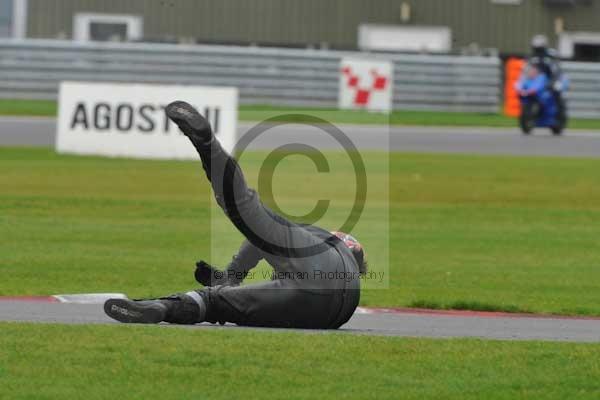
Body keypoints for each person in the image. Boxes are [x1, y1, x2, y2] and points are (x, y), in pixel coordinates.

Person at [104, 101, 365, 329]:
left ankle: (208, 145)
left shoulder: (326, 242)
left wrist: (230, 276)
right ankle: (161, 308)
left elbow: (258, 239)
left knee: (246, 209)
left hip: (321, 270)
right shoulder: (349, 280)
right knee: (215, 304)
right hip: (327, 315)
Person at [528, 34, 566, 119]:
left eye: (539, 48)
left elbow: (556, 67)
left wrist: (554, 78)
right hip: (538, 80)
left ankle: (560, 114)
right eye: (536, 48)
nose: (537, 50)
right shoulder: (532, 57)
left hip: (552, 78)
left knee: (557, 89)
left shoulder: (551, 54)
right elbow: (527, 68)